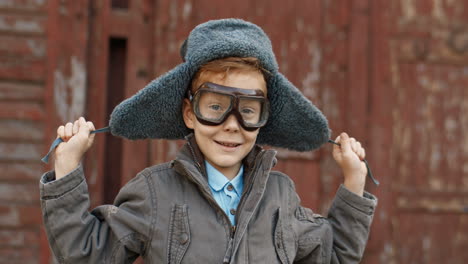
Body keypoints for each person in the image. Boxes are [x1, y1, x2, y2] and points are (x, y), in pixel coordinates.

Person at [40, 19, 377, 263]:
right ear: (189, 113)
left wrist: (354, 182)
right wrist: (66, 169)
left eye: (248, 110)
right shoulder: (155, 193)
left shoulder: (281, 197)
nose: (231, 125)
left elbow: (334, 255)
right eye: (214, 107)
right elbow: (87, 255)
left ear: (264, 119)